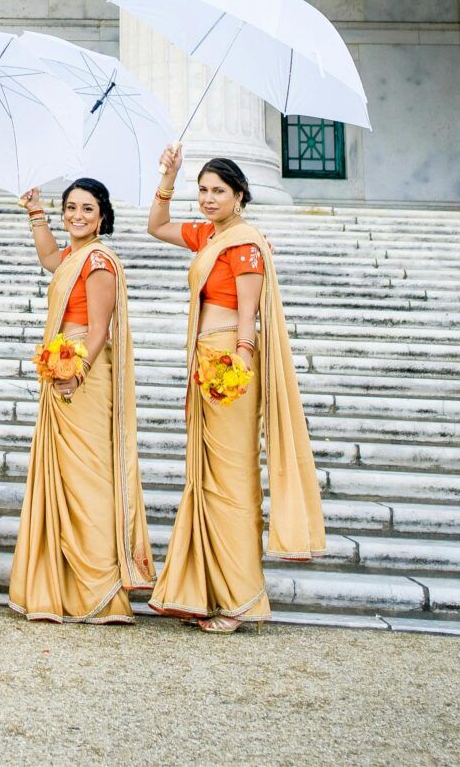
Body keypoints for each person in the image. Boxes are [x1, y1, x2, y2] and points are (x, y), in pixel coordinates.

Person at [147, 150, 324, 629]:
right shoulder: (207, 235)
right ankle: (207, 593)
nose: (207, 199)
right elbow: (156, 226)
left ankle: (242, 599)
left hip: (229, 360)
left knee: (231, 479)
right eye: (202, 190)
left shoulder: (244, 245)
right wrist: (167, 178)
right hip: (204, 359)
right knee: (205, 478)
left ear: (239, 195)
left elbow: (250, 313)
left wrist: (241, 361)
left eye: (218, 191)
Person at [9, 177, 152, 622]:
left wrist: (76, 374)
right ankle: (63, 588)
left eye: (87, 209)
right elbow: (51, 258)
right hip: (61, 367)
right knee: (66, 478)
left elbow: (98, 331)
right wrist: (35, 212)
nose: (77, 215)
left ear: (102, 217)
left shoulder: (98, 263)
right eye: (71, 207)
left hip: (84, 373)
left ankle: (103, 591)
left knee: (89, 478)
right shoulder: (73, 257)